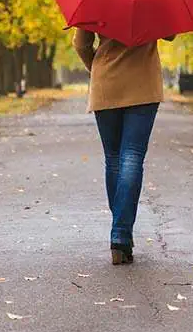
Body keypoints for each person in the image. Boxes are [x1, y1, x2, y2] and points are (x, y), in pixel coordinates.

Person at [74, 29, 175, 265]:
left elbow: (81, 44)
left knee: (114, 158)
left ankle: (120, 231)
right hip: (143, 84)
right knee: (132, 156)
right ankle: (120, 233)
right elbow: (169, 34)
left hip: (106, 82)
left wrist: (98, 68)